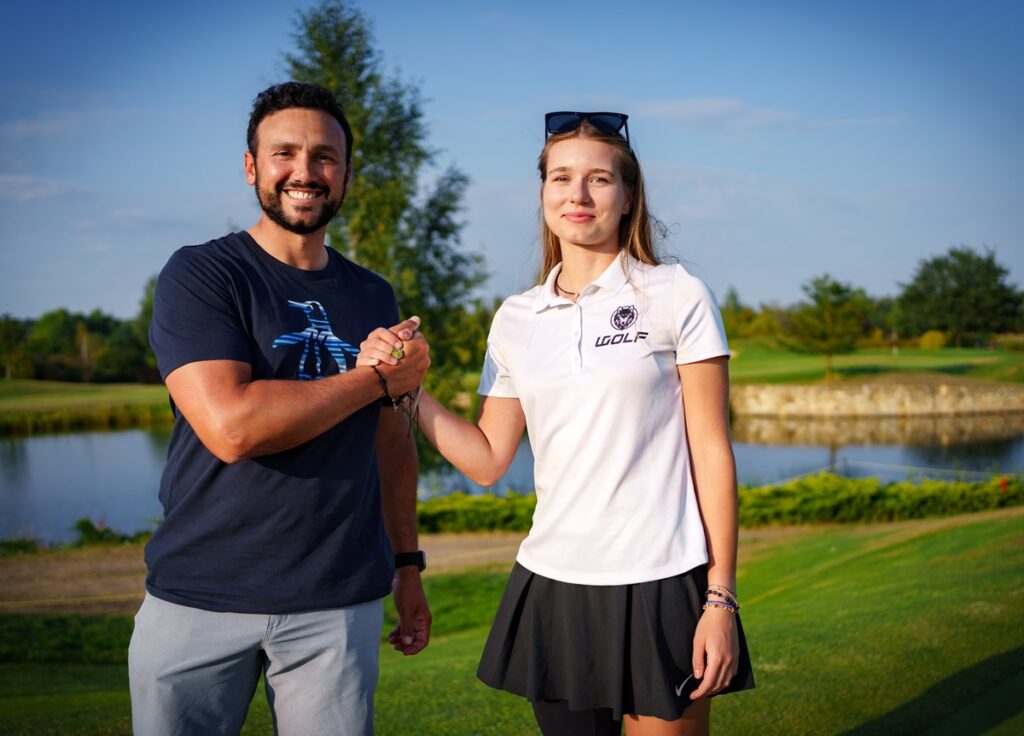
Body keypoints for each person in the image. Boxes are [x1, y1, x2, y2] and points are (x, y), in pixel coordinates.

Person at [361, 111, 754, 735]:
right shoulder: (516, 317)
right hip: (553, 583)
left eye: (599, 179)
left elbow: (711, 452)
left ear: (628, 196)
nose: (578, 194)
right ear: (543, 192)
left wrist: (721, 598)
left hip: (662, 582)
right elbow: (487, 459)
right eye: (561, 177)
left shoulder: (676, 293)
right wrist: (410, 389)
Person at [129, 82, 432, 736]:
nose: (305, 171)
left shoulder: (373, 295)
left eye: (325, 157)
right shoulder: (203, 275)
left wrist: (407, 565)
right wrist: (375, 378)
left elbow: (392, 444)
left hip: (338, 602)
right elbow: (232, 427)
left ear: (346, 173)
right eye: (284, 153)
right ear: (251, 166)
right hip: (198, 598)